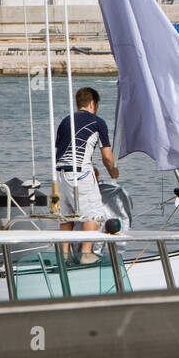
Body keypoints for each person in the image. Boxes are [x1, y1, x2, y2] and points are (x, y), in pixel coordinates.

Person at [54, 86, 118, 264]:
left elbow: (62, 150)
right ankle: (86, 253)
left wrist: (91, 168)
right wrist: (113, 171)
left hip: (60, 173)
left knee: (67, 216)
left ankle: (63, 255)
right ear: (93, 103)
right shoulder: (98, 122)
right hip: (80, 173)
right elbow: (107, 156)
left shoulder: (65, 121)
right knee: (93, 213)